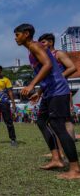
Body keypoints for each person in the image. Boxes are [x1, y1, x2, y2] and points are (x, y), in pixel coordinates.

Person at [14, 23, 80, 180]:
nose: (15, 38)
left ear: (26, 33)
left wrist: (31, 85)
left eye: (17, 35)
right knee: (41, 121)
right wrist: (39, 91)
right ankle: (56, 159)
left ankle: (75, 169)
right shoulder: (32, 50)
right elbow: (46, 72)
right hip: (49, 92)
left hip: (58, 92)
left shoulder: (35, 46)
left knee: (58, 126)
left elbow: (48, 65)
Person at [31, 33, 77, 169]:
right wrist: (39, 92)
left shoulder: (58, 54)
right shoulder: (41, 56)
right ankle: (58, 154)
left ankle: (68, 154)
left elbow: (72, 68)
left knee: (65, 122)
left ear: (51, 42)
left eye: (44, 42)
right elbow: (44, 78)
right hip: (48, 91)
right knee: (49, 122)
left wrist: (58, 77)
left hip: (60, 90)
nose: (41, 45)